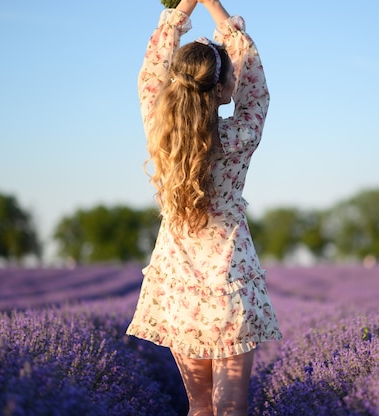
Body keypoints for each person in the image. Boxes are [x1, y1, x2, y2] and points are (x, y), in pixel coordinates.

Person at [126, 1, 282, 415]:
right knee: (231, 406)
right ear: (223, 89)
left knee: (199, 406)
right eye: (228, 75)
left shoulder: (163, 137)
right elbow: (258, 90)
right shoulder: (238, 137)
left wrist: (180, 10)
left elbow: (151, 73)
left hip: (178, 281)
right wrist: (216, 9)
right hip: (230, 277)